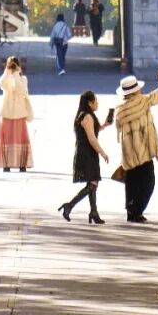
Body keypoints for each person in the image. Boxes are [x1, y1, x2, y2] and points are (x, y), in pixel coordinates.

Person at [115, 64, 158, 223]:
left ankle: (131, 211)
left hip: (129, 153)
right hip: (144, 150)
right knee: (148, 183)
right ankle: (138, 211)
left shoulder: (120, 110)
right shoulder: (143, 102)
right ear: (136, 90)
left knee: (131, 183)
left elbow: (119, 130)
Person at [59, 90, 112, 223]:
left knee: (93, 182)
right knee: (93, 183)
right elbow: (92, 139)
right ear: (90, 103)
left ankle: (94, 212)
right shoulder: (87, 117)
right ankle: (69, 205)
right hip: (87, 153)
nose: (97, 103)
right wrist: (103, 153)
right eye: (96, 101)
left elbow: (92, 130)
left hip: (86, 152)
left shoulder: (83, 114)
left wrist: (104, 125)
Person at [0, 56, 33, 172]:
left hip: (19, 113)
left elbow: (19, 88)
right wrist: (7, 71)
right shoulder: (6, 78)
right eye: (11, 64)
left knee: (20, 139)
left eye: (14, 64)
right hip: (6, 112)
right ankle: (6, 164)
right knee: (7, 139)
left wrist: (16, 73)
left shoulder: (23, 79)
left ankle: (22, 164)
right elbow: (0, 83)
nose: (12, 66)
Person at [49, 10, 71, 76]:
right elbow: (69, 35)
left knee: (59, 55)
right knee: (63, 55)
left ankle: (62, 68)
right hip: (65, 43)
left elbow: (52, 35)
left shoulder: (55, 26)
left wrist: (51, 43)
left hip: (58, 43)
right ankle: (63, 67)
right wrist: (66, 39)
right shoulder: (66, 26)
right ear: (63, 18)